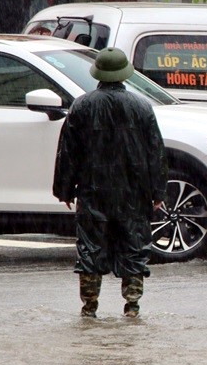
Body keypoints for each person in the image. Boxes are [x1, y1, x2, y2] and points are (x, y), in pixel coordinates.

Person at [53, 47, 168, 318]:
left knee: (91, 250)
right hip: (134, 194)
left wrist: (65, 190)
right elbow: (156, 153)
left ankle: (89, 308)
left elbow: (68, 153)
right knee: (134, 248)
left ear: (98, 75)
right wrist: (158, 191)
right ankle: (132, 308)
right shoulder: (142, 107)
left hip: (94, 192)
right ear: (124, 74)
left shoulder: (82, 106)